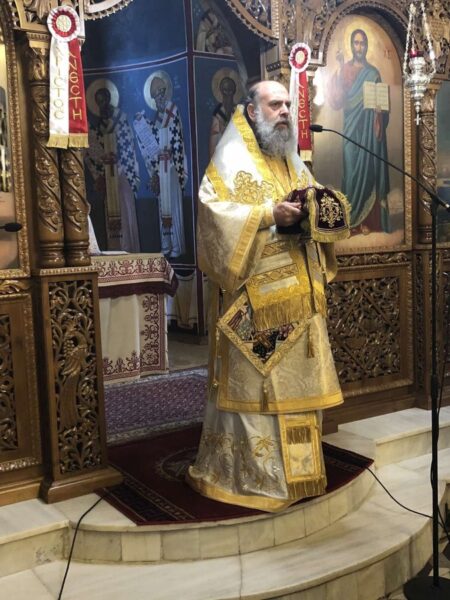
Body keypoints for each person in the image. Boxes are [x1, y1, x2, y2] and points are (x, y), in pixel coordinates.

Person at [186, 80, 350, 512]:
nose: (284, 112)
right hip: (254, 306)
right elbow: (212, 215)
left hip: (299, 299)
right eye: (275, 104)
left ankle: (300, 476)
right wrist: (267, 214)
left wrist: (318, 210)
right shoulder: (229, 161)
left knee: (297, 388)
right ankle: (255, 479)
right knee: (258, 392)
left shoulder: (291, 160)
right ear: (252, 110)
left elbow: (311, 200)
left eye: (288, 104)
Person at [328, 28, 390, 234]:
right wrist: (339, 66)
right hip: (350, 130)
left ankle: (367, 222)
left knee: (367, 171)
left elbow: (382, 107)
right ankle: (349, 221)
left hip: (368, 133)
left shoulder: (373, 73)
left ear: (366, 46)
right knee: (351, 172)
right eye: (356, 43)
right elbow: (336, 100)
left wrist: (380, 112)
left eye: (362, 43)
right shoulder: (344, 69)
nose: (359, 47)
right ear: (351, 45)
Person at [134, 73, 187, 259]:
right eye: (155, 96)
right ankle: (166, 244)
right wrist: (141, 123)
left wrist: (170, 154)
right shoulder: (158, 117)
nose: (159, 98)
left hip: (171, 166)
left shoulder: (172, 110)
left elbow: (176, 135)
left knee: (173, 206)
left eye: (161, 94)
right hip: (161, 166)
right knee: (162, 207)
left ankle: (177, 245)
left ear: (165, 93)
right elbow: (154, 138)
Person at [85, 85, 141, 252]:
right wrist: (101, 170)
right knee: (111, 216)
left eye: (103, 101)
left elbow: (129, 146)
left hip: (123, 173)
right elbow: (93, 154)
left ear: (109, 99)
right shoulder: (98, 126)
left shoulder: (121, 119)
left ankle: (129, 249)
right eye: (98, 102)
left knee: (126, 211)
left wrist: (118, 159)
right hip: (108, 176)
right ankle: (115, 249)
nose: (101, 105)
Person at [209, 75, 238, 159]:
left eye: (230, 90)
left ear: (234, 91)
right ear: (221, 92)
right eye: (225, 90)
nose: (228, 94)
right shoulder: (218, 113)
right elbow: (214, 137)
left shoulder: (238, 111)